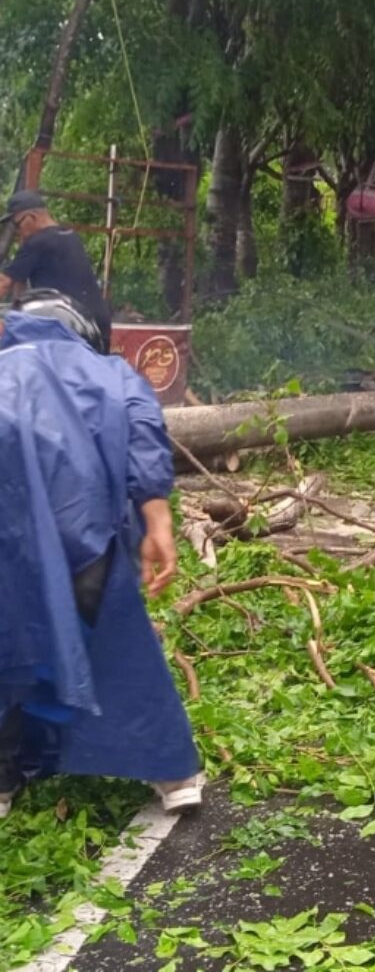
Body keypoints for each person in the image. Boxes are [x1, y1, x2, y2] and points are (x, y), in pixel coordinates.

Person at [0, 292, 202, 819]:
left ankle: (3, 781)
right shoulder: (112, 374)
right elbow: (144, 440)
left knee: (11, 647)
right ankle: (174, 776)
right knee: (118, 647)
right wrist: (158, 523)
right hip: (91, 542)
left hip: (10, 547)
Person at [0, 190, 112, 351]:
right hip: (97, 324)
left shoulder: (37, 243)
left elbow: (4, 282)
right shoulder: (70, 235)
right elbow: (20, 283)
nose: (17, 232)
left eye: (17, 225)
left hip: (68, 329)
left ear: (32, 217)